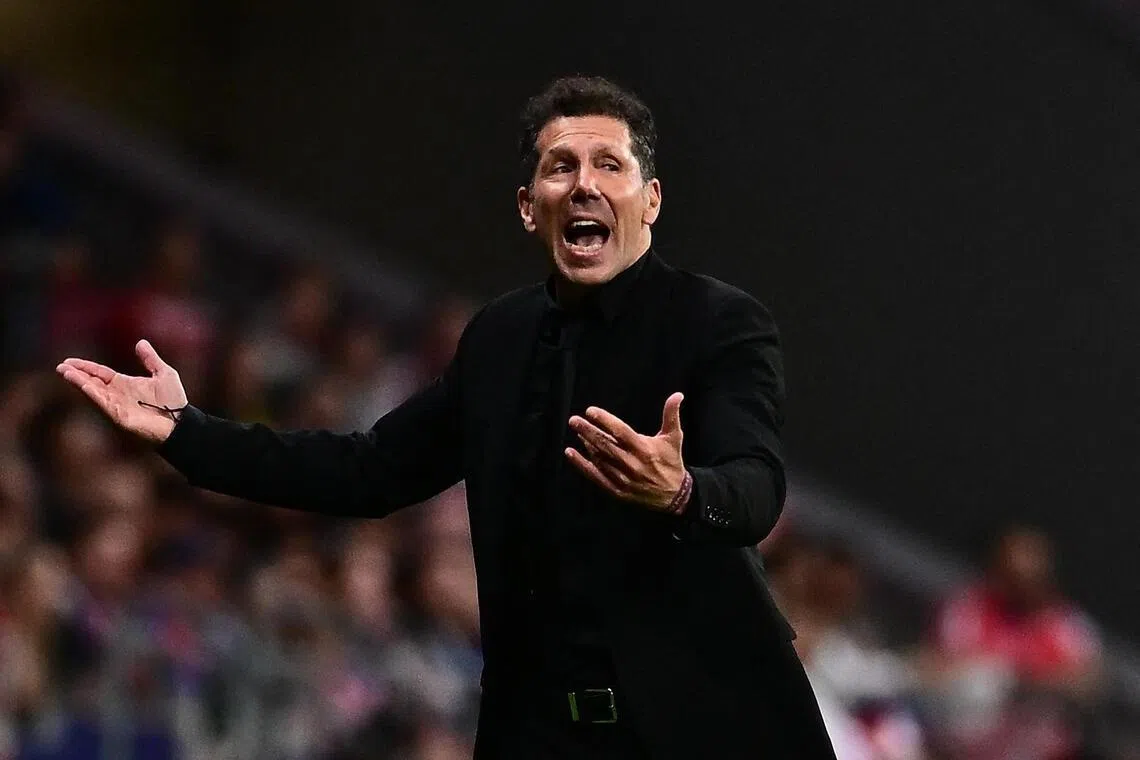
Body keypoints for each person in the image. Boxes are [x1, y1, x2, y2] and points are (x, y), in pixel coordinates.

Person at [55, 75, 836, 759]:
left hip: (706, 732)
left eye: (611, 165)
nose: (586, 183)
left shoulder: (719, 322)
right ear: (531, 209)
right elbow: (368, 471)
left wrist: (683, 492)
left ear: (651, 199)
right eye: (561, 167)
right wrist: (189, 433)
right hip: (539, 738)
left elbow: (756, 484)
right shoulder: (500, 338)